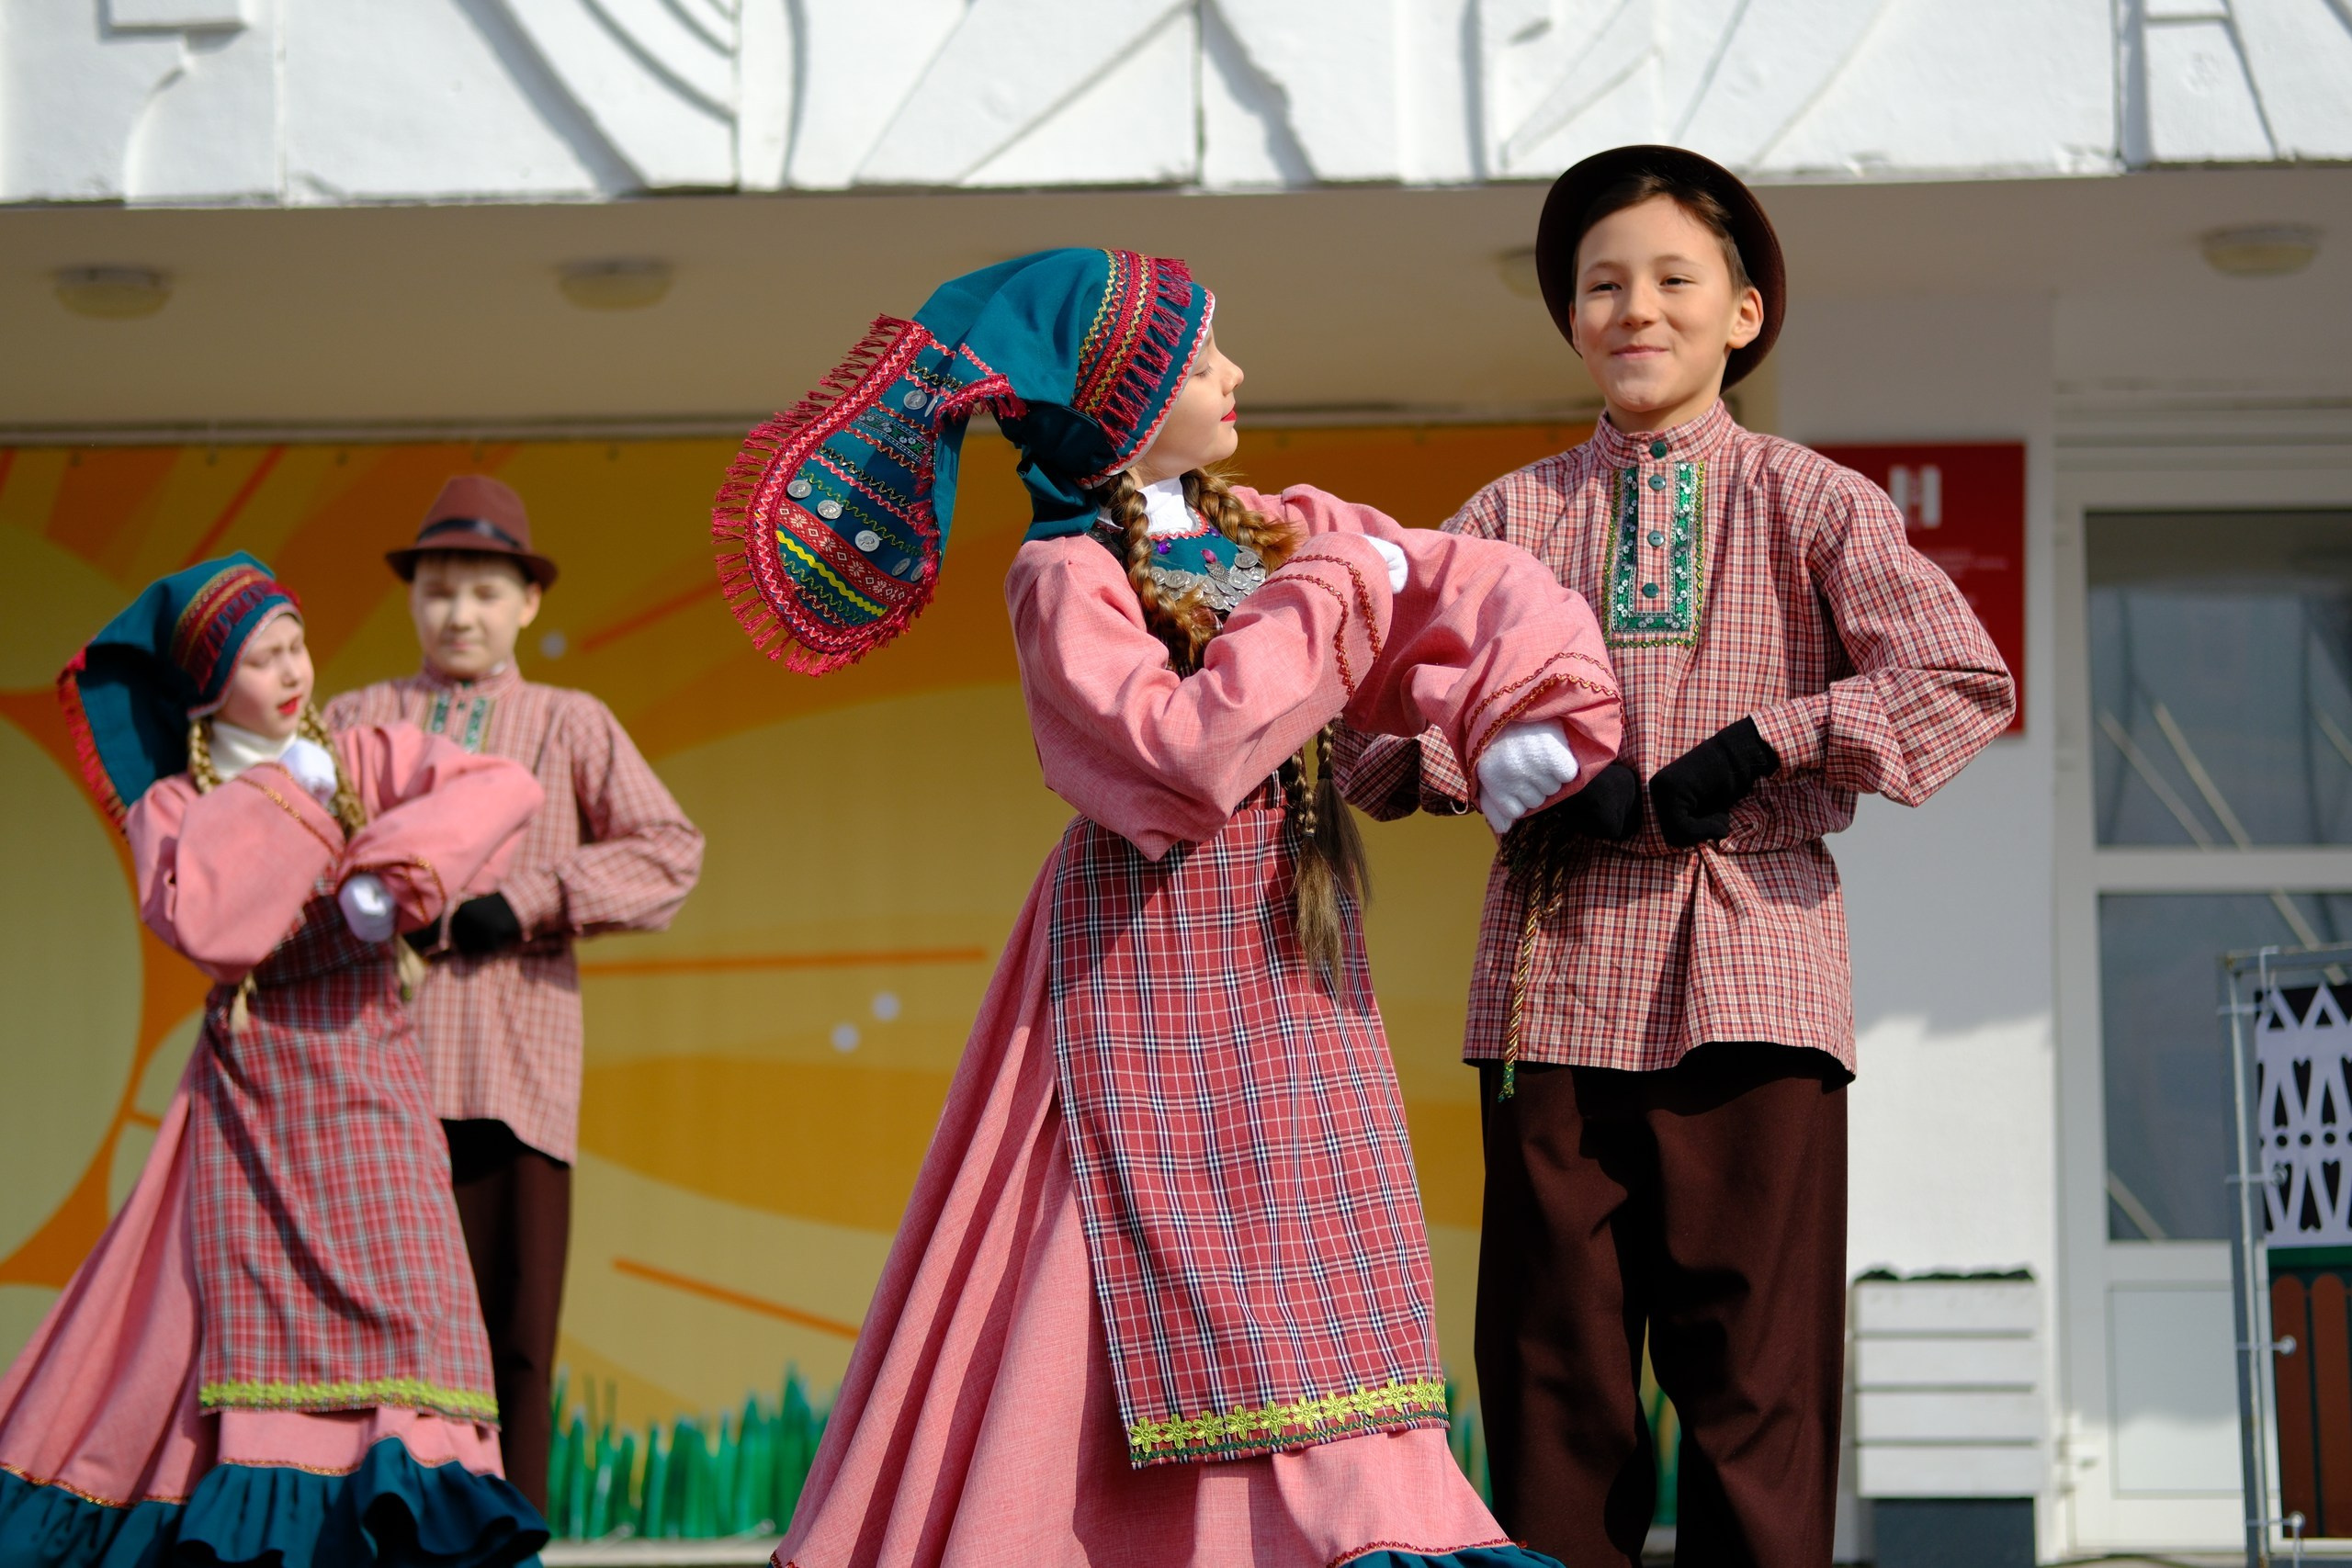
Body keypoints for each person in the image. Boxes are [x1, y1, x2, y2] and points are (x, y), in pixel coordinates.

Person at [707, 248, 1624, 1568]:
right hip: (1145, 951)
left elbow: (1465, 578)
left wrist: (1523, 697)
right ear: (1123, 404)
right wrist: (1333, 590)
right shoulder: (1067, 573)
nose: (1235, 374)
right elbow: (1181, 759)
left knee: (1316, 1243)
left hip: (1289, 955)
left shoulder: (1263, 524)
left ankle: (1359, 1518)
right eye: (1200, 360)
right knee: (1119, 1244)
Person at [1336, 146, 2018, 1567]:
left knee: (1751, 1387)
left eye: (1670, 278)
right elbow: (1377, 728)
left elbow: (1960, 678)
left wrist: (1772, 740)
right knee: (1550, 1381)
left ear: (1745, 312)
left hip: (1756, 973)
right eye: (1601, 284)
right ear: (1571, 319)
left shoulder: (1814, 498)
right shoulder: (1510, 520)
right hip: (1551, 981)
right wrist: (1515, 766)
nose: (1634, 307)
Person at [0, 554, 549, 1566]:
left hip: (372, 1078)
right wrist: (285, 802)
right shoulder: (177, 805)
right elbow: (211, 924)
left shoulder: (360, 754)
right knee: (230, 1325)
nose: (293, 671)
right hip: (256, 1096)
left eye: (296, 643)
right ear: (213, 686)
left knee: (417, 1315)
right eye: (263, 659)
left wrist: (395, 870)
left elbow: (502, 786)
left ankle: (403, 1522)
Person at [324, 478, 704, 1511]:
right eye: (441, 589)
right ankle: (365, 1534)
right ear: (411, 598)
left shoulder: (567, 721)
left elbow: (670, 852)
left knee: (512, 1338)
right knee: (366, 1337)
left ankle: (504, 1541)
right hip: (368, 1078)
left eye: (484, 592)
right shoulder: (357, 721)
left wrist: (531, 900)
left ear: (527, 604)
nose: (459, 614)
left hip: (511, 1078)